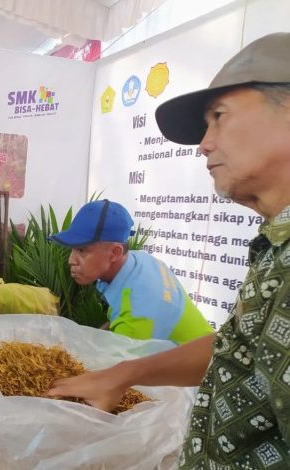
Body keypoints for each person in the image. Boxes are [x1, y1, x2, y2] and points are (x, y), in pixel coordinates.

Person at [46, 33, 290, 468]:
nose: (204, 144)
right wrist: (121, 376)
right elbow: (238, 349)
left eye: (219, 117)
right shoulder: (275, 245)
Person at [49, 199, 213, 344]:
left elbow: (115, 371)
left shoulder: (137, 315)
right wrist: (90, 338)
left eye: (82, 250)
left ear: (115, 252)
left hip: (193, 374)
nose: (71, 260)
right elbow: (118, 317)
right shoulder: (139, 261)